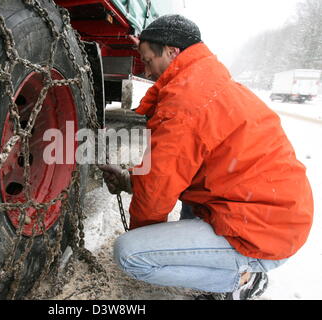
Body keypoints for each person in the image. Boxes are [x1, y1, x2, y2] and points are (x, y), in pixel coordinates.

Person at [98, 14, 313, 300]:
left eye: (148, 61)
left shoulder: (186, 103)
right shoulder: (203, 82)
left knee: (130, 253)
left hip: (264, 231)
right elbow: (178, 169)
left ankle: (243, 277)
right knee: (187, 198)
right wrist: (129, 180)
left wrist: (144, 237)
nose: (147, 72)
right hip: (272, 212)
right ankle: (239, 263)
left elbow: (157, 190)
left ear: (173, 52)